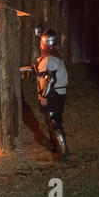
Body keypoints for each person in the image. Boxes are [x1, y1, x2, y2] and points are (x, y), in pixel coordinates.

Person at [32, 29, 70, 162]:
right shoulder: (53, 56)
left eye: (41, 43)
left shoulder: (49, 59)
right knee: (53, 121)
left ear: (45, 44)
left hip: (53, 94)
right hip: (57, 93)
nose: (39, 46)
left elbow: (50, 79)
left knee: (54, 122)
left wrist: (44, 96)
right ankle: (57, 148)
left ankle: (63, 152)